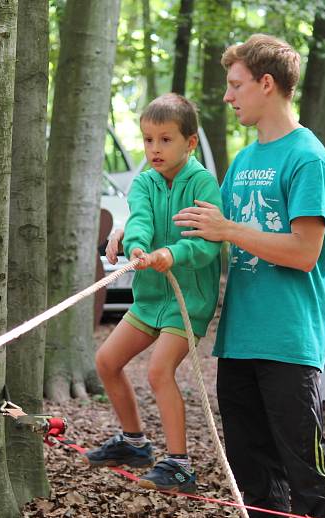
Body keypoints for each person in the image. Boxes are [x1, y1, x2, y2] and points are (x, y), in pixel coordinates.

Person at [172, 35, 325, 518]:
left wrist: (229, 230)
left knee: (309, 477)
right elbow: (203, 225)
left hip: (289, 344)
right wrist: (136, 231)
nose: (228, 97)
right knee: (254, 483)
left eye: (236, 85)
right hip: (239, 343)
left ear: (266, 84)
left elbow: (304, 252)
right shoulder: (246, 161)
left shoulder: (308, 158)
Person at [85, 93, 223, 494]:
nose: (154, 149)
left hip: (187, 301)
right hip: (149, 299)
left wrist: (171, 254)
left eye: (165, 140)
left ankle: (179, 466)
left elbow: (206, 243)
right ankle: (134, 443)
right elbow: (139, 219)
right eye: (148, 140)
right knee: (107, 361)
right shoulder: (144, 181)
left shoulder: (202, 183)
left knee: (159, 370)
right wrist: (139, 247)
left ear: (189, 143)